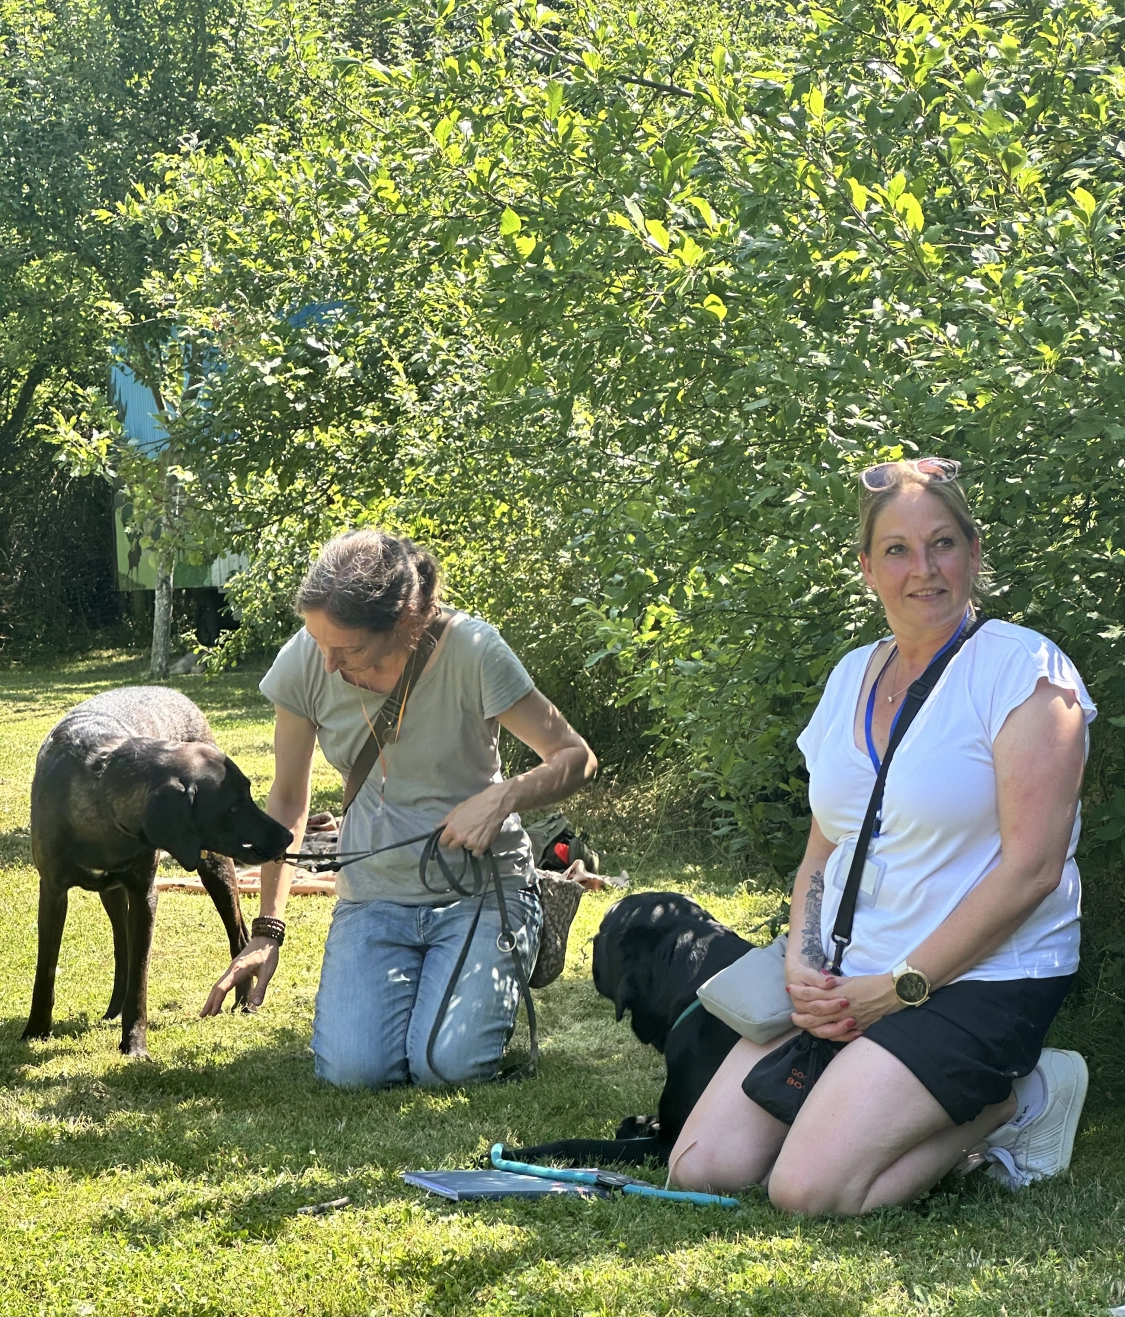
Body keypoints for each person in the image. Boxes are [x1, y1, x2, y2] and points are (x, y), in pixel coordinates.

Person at [669, 458, 1093, 1214]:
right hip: (848, 975)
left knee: (808, 1193)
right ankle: (876, 1094)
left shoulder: (1024, 672)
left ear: (972, 552)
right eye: (896, 549)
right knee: (702, 1168)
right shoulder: (848, 677)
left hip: (978, 980)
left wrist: (897, 989)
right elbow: (820, 852)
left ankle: (1016, 1100)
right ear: (865, 568)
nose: (922, 569)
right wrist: (803, 965)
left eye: (942, 544)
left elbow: (1031, 872)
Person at [203, 529, 597, 1088]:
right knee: (353, 1073)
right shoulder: (309, 657)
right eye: (319, 642)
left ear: (407, 620)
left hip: (481, 889)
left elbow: (576, 757)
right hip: (374, 897)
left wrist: (503, 796)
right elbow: (288, 800)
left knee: (446, 1068)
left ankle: (508, 948)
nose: (330, 664)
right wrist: (267, 929)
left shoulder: (474, 650)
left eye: (350, 649)